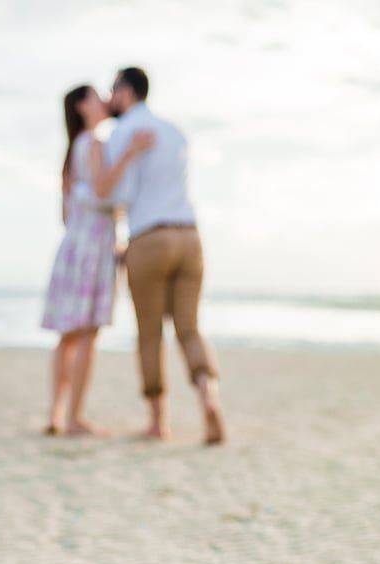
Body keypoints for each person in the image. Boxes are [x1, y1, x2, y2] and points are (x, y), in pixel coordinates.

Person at [106, 67, 226, 444]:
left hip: (149, 237)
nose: (109, 99)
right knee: (189, 328)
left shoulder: (124, 132)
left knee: (150, 333)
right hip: (189, 235)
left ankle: (159, 423)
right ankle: (209, 396)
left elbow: (119, 194)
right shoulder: (175, 132)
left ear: (126, 91)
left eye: (113, 91)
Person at [41, 84, 154, 435]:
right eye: (95, 96)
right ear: (82, 107)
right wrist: (130, 153)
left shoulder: (73, 147)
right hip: (94, 244)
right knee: (87, 334)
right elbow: (103, 188)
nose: (104, 99)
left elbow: (67, 212)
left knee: (68, 335)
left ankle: (57, 414)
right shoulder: (93, 142)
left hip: (74, 243)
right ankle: (74, 417)